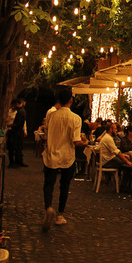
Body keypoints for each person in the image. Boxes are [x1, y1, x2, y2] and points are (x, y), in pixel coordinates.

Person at [41, 89, 87, 231]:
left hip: (51, 154)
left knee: (48, 184)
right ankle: (60, 215)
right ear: (71, 101)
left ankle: (48, 207)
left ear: (58, 100)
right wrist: (84, 143)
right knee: (64, 186)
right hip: (67, 157)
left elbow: (46, 133)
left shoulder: (51, 116)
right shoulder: (75, 118)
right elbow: (76, 141)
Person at [99, 122, 132, 190]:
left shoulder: (107, 137)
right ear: (110, 129)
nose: (116, 130)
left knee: (126, 163)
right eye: (115, 129)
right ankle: (123, 186)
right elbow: (116, 152)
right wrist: (127, 161)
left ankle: (122, 184)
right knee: (129, 166)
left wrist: (123, 155)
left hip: (107, 159)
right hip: (108, 161)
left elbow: (114, 151)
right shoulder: (108, 139)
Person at [7, 98, 27, 168]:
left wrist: (9, 125)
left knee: (15, 147)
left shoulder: (20, 111)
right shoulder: (20, 111)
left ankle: (16, 162)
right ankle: (16, 162)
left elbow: (19, 123)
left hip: (16, 131)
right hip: (15, 131)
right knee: (16, 147)